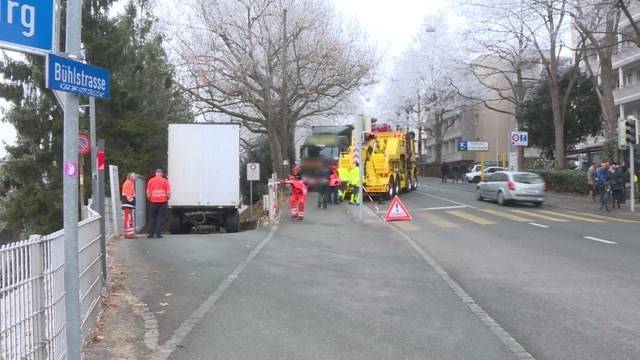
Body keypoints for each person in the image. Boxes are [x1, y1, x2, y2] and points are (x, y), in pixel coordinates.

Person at [146, 169, 171, 238]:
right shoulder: (165, 181)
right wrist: (167, 198)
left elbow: (148, 192)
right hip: (162, 201)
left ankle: (151, 234)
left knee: (152, 217)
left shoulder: (151, 180)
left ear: (155, 173)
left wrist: (149, 198)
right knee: (160, 217)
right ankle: (157, 234)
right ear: (161, 174)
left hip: (153, 201)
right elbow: (168, 192)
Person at [121, 172, 136, 239]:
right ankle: (129, 234)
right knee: (128, 219)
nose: (135, 177)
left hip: (128, 204)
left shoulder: (129, 183)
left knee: (129, 218)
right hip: (128, 204)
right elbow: (128, 196)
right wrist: (133, 202)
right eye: (134, 176)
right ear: (130, 177)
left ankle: (129, 233)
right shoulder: (128, 183)